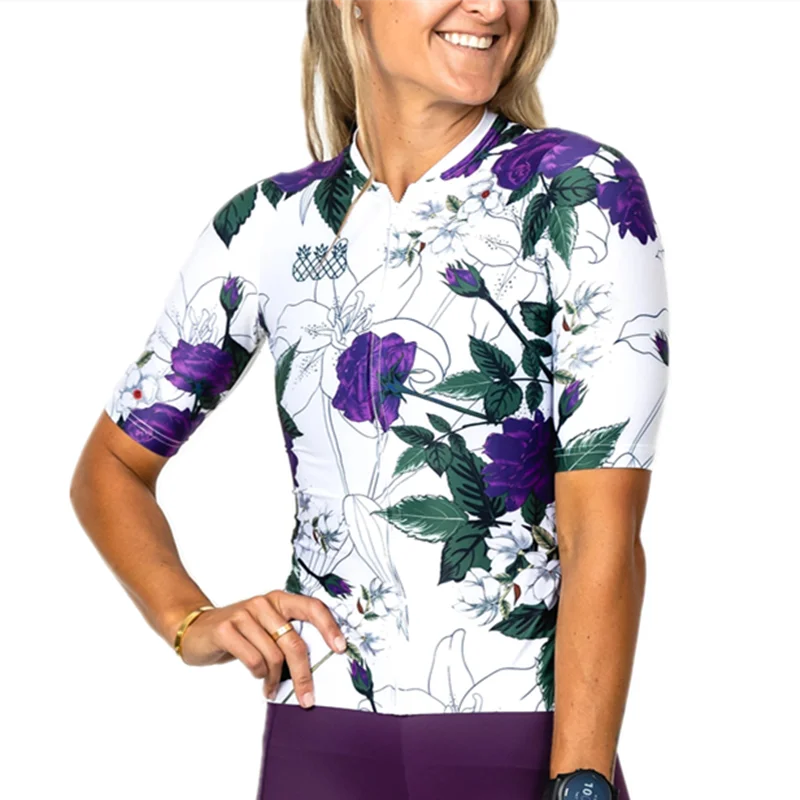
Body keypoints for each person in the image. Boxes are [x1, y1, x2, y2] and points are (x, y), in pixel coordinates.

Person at [69, 1, 669, 798]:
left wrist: (581, 778)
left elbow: (605, 535)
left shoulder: (578, 192)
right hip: (319, 742)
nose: (492, 7)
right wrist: (188, 620)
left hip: (521, 739)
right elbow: (111, 467)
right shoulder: (270, 223)